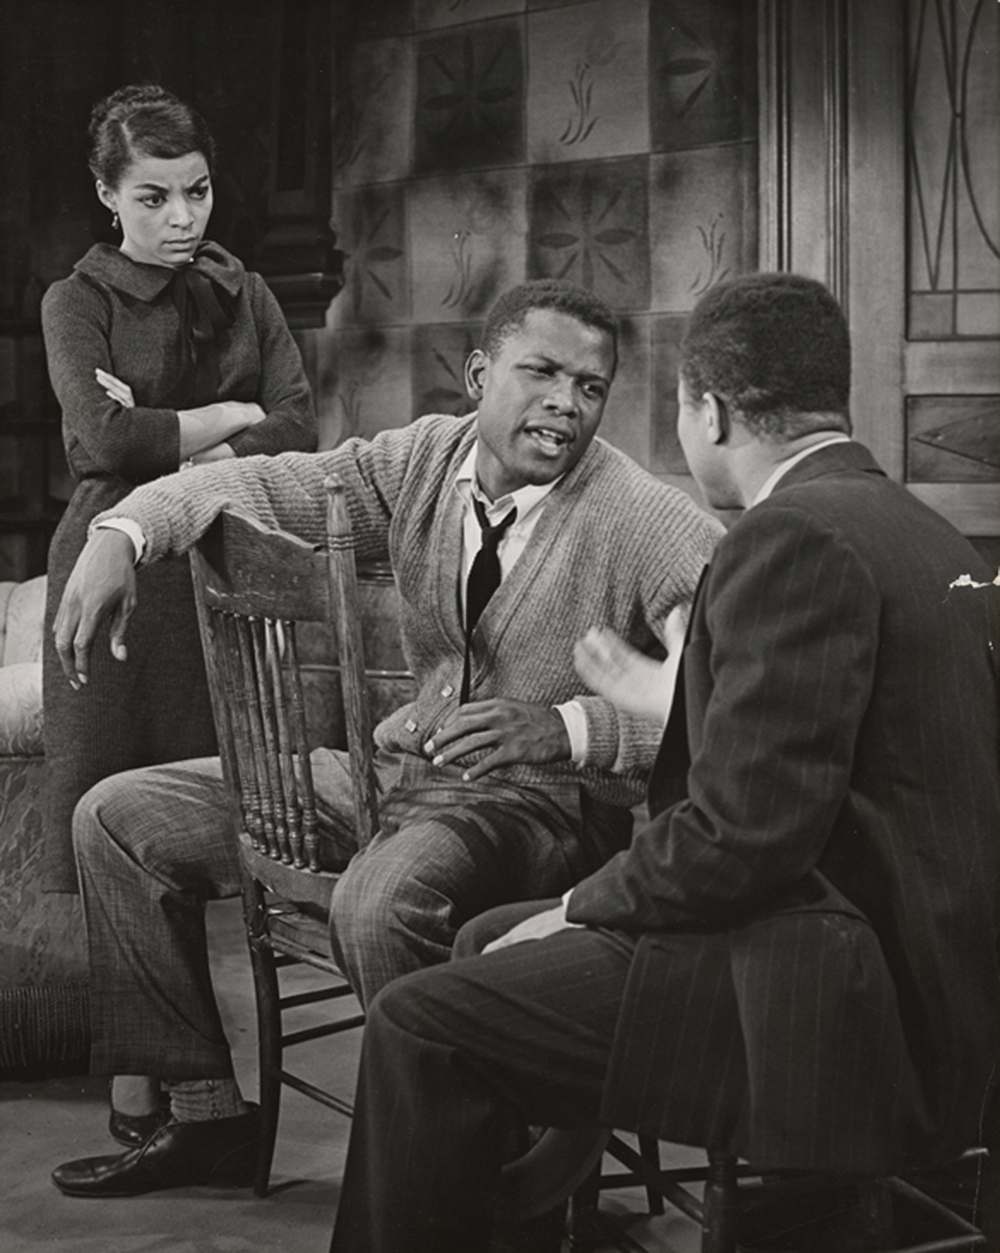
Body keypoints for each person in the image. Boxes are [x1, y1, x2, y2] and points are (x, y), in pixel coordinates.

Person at [313, 273, 1000, 1253]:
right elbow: (821, 768)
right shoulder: (931, 534)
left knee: (422, 1022)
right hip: (939, 980)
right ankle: (529, 1219)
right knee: (481, 940)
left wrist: (577, 904)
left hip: (830, 1003)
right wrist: (657, 701)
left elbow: (738, 838)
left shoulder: (786, 538)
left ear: (708, 409)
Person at [47, 278, 723, 1196]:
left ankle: (471, 1161)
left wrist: (569, 727)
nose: (567, 403)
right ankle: (208, 1118)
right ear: (482, 374)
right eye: (543, 372)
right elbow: (253, 481)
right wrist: (122, 530)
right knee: (118, 818)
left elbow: (734, 701)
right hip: (400, 779)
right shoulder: (419, 463)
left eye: (591, 387)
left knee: (377, 906)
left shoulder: (643, 517)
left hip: (539, 808)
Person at [40, 83, 317, 1148]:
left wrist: (176, 430)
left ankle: (191, 1100)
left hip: (226, 572)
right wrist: (232, 414)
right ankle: (152, 1098)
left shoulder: (242, 291)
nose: (181, 217)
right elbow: (103, 446)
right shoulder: (79, 299)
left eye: (195, 191)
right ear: (108, 195)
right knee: (105, 822)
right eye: (152, 196)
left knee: (205, 827)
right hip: (118, 579)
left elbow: (300, 428)